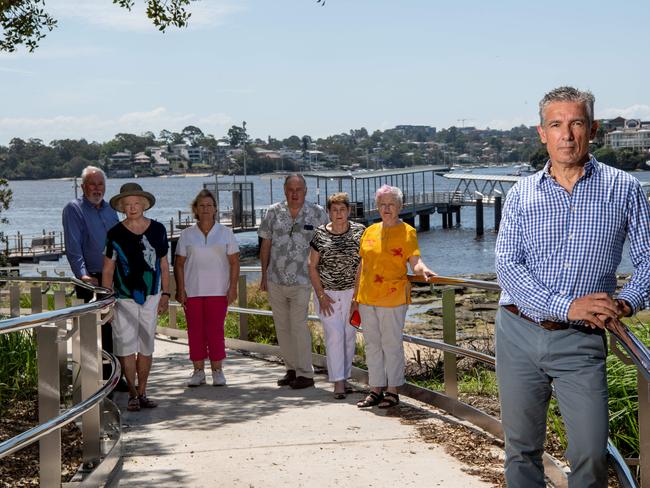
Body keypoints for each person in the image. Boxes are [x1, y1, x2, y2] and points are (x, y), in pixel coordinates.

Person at [495, 86, 650, 487]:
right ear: (541, 133)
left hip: (582, 341)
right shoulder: (520, 195)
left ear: (593, 129)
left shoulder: (625, 189)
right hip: (517, 331)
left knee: (589, 452)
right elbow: (507, 266)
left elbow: (649, 260)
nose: (567, 134)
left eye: (576, 123)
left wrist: (627, 303)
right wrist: (563, 306)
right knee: (522, 450)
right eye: (556, 124)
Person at [354, 185, 436, 409]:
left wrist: (424, 270)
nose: (386, 208)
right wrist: (355, 296)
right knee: (372, 345)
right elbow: (362, 265)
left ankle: (393, 390)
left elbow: (414, 260)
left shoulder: (407, 231)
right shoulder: (369, 231)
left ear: (400, 206)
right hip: (367, 296)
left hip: (393, 297)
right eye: (382, 204)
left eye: (391, 204)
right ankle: (375, 389)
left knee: (391, 344)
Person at [102, 183, 171, 412]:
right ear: (122, 207)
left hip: (151, 297)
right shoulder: (114, 234)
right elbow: (108, 270)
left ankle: (143, 392)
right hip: (122, 299)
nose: (132, 208)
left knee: (146, 346)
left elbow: (163, 264)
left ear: (144, 205)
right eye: (127, 204)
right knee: (125, 347)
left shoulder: (158, 230)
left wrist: (166, 295)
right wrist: (107, 301)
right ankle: (132, 392)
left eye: (136, 203)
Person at [258, 174, 328, 389]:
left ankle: (305, 373)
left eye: (299, 189)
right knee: (282, 327)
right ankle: (291, 369)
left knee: (298, 326)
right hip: (275, 279)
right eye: (290, 189)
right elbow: (265, 245)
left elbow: (325, 247)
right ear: (284, 190)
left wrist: (322, 280)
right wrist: (263, 276)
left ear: (306, 190)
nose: (294, 193)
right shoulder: (273, 212)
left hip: (303, 280)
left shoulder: (317, 213)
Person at [62, 166, 122, 384]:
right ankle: (89, 378)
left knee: (113, 328)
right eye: (92, 184)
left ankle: (113, 375)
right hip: (91, 279)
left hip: (114, 276)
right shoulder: (74, 209)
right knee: (90, 330)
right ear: (83, 186)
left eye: (100, 184)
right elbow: (73, 245)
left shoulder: (110, 209)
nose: (97, 189)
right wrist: (83, 274)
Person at [174, 190, 240, 387]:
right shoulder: (187, 235)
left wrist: (233, 288)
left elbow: (235, 263)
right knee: (195, 332)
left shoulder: (226, 233)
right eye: (201, 205)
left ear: (215, 209)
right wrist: (180, 289)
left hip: (219, 290)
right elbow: (178, 264)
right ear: (195, 209)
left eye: (209, 205)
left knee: (215, 331)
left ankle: (217, 370)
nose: (205, 209)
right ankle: (198, 371)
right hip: (192, 291)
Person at [308, 192, 365, 399]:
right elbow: (311, 266)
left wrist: (357, 296)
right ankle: (338, 382)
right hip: (328, 295)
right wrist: (321, 295)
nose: (339, 214)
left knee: (349, 337)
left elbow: (363, 265)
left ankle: (346, 376)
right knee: (334, 336)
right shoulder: (320, 234)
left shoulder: (360, 232)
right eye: (334, 210)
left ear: (349, 211)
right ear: (328, 212)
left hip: (353, 293)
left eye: (342, 209)